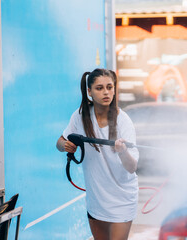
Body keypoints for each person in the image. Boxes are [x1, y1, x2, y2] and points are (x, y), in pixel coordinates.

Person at [56, 68, 139, 240]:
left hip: (122, 198)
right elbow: (59, 142)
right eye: (99, 88)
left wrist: (123, 152)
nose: (106, 92)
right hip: (97, 199)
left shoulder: (123, 121)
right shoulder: (80, 116)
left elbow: (132, 167)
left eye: (109, 87)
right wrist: (66, 145)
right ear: (89, 92)